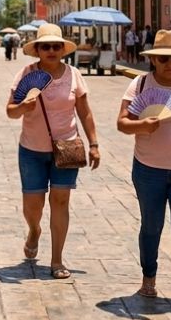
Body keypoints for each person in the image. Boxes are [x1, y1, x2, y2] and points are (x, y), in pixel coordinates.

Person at [6, 24, 101, 280]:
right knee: (33, 205)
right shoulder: (27, 74)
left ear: (63, 49)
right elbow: (10, 111)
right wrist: (23, 107)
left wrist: (93, 144)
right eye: (45, 46)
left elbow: (85, 111)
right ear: (37, 50)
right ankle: (34, 230)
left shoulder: (73, 75)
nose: (51, 50)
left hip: (66, 148)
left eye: (56, 46)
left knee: (60, 201)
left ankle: (57, 259)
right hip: (32, 150)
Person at [117, 29, 171, 314]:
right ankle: (149, 276)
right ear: (154, 60)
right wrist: (141, 126)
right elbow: (122, 122)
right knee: (151, 227)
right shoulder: (140, 85)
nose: (170, 64)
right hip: (149, 170)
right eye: (163, 58)